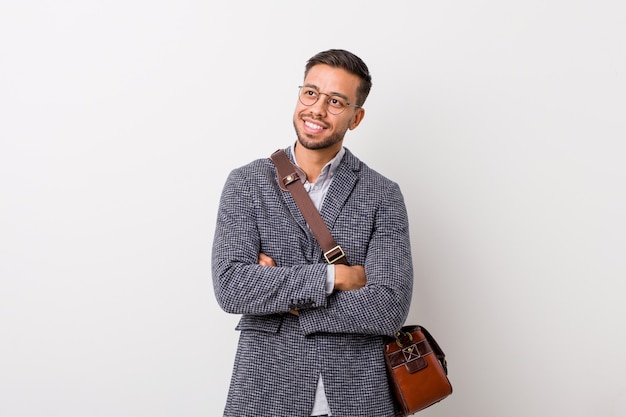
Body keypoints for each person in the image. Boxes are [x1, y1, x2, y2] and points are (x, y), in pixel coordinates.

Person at [212, 49, 414, 417]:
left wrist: (278, 300)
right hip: (264, 391)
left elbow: (388, 307)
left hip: (357, 396)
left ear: (356, 117)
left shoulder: (383, 194)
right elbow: (231, 287)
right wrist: (332, 277)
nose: (317, 110)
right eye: (311, 93)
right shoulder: (246, 184)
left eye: (336, 101)